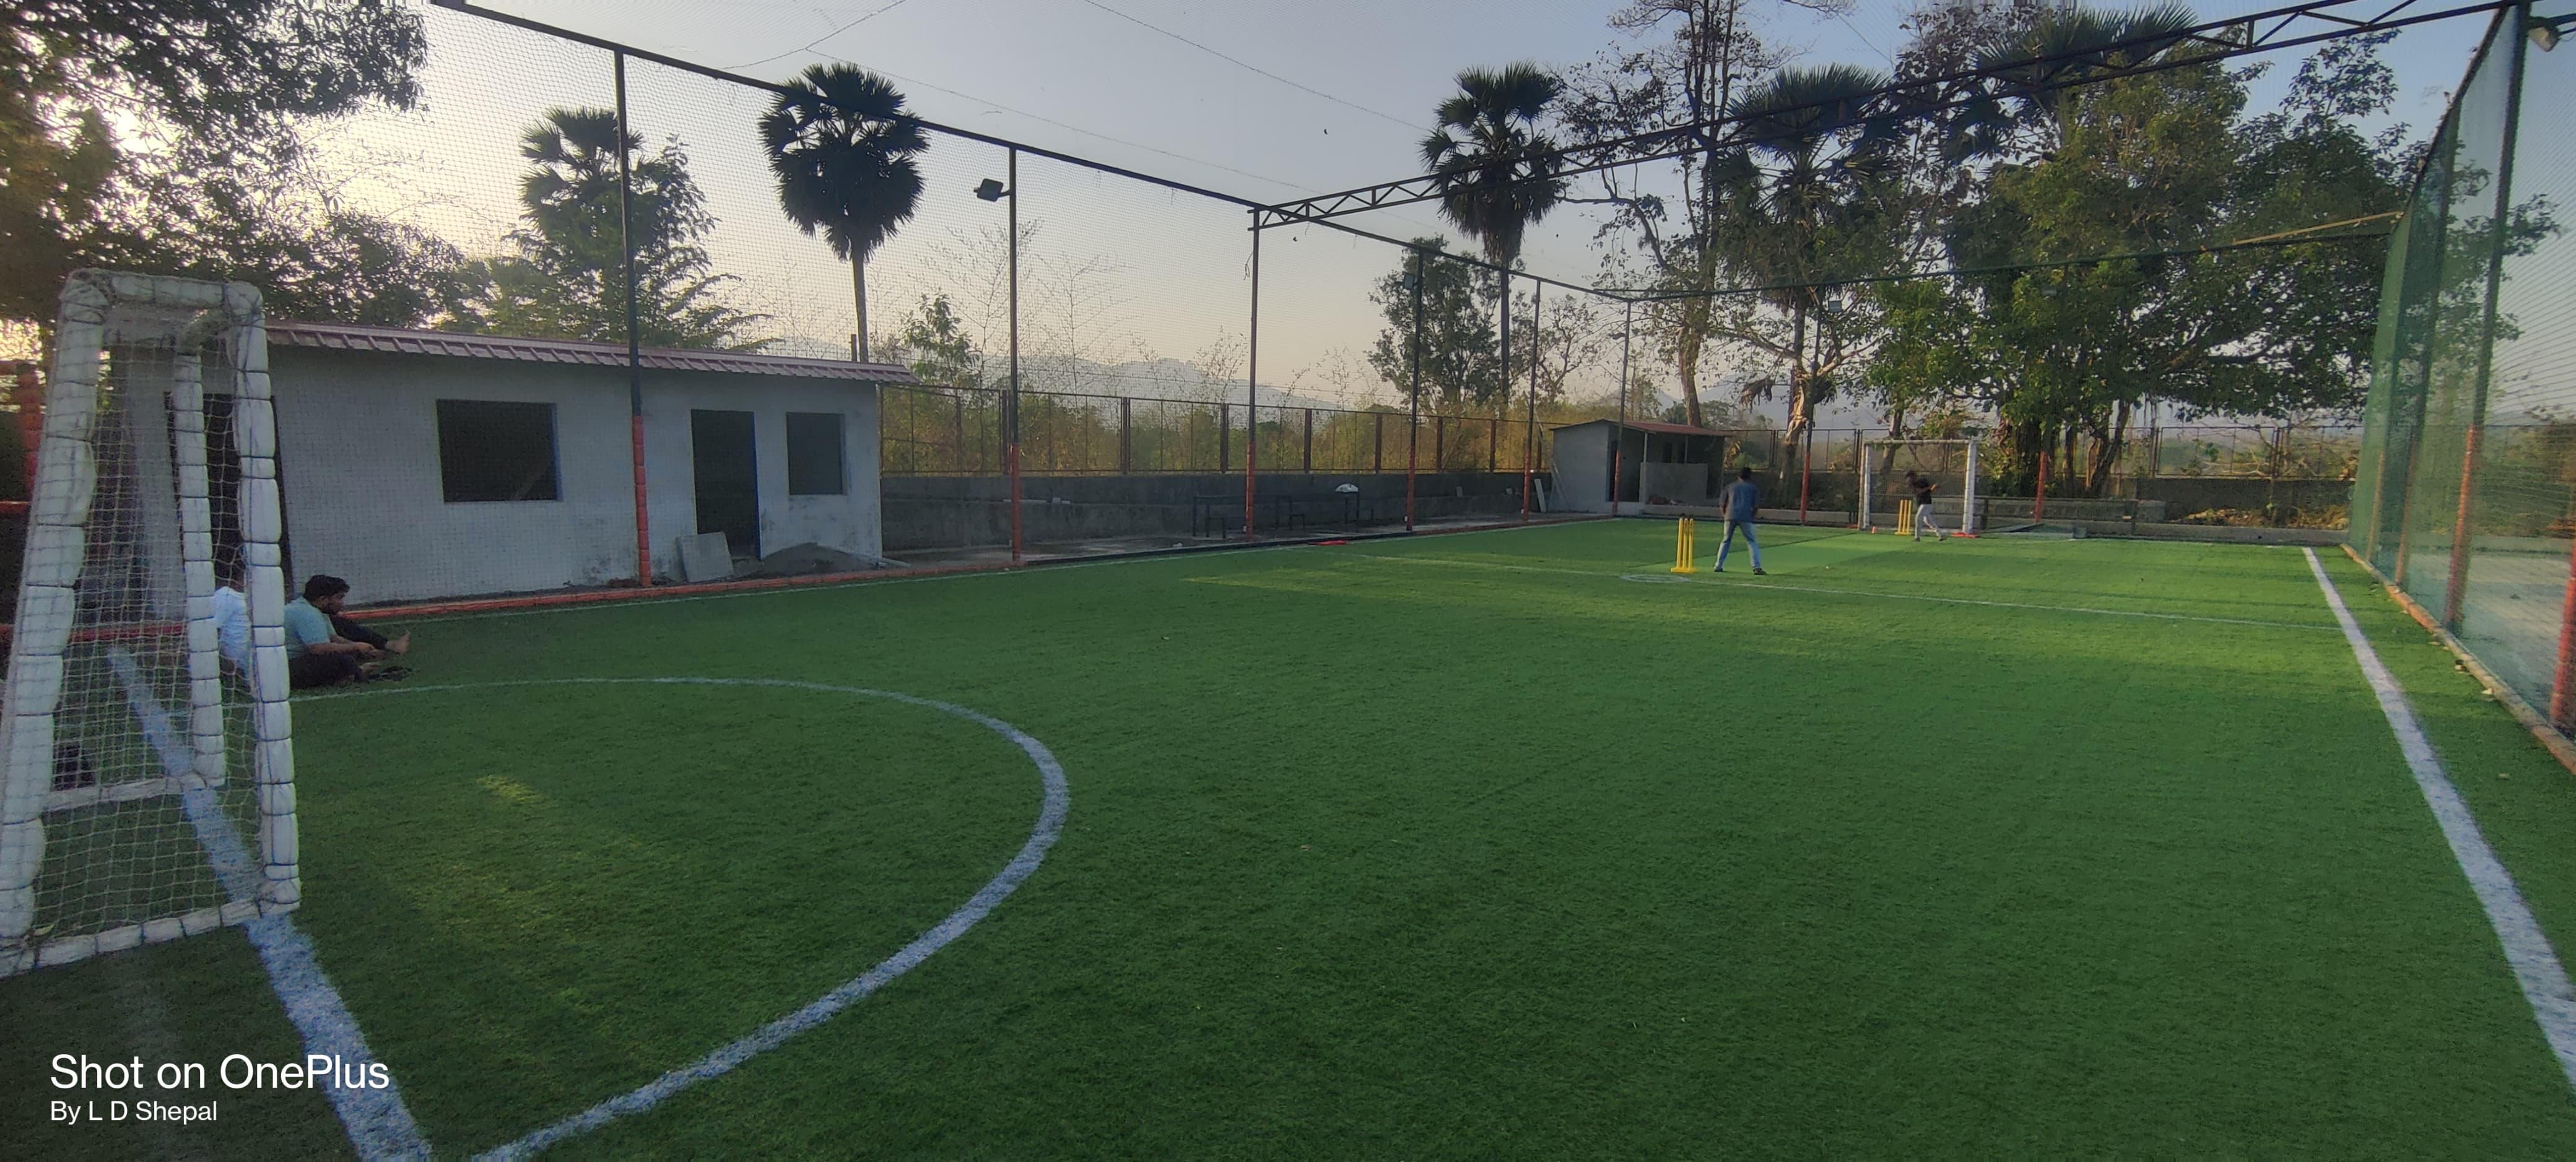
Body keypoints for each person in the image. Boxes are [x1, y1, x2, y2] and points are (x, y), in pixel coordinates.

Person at [284, 574, 407, 688]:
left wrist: (361, 648)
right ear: (323, 599)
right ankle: (351, 674)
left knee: (345, 654)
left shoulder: (313, 609)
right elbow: (318, 649)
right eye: (339, 598)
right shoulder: (308, 614)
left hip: (289, 665)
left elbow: (334, 638)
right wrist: (355, 647)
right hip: (285, 668)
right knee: (340, 660)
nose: (342, 604)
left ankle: (349, 673)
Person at [1714, 466, 1765, 575]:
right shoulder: (1753, 488)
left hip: (1730, 515)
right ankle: (1756, 567)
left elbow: (1722, 504)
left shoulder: (1730, 486)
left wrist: (1725, 515)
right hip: (1746, 517)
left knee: (1726, 540)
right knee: (1751, 541)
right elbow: (1756, 506)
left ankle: (1718, 565)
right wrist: (1752, 517)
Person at [1908, 471, 1947, 542]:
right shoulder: (1913, 485)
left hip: (1926, 504)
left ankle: (1917, 537)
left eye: (1910, 477)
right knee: (1929, 521)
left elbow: (1930, 491)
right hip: (1921, 504)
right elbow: (1920, 491)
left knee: (1918, 517)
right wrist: (1930, 487)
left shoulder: (1923, 481)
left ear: (1914, 476)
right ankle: (1941, 535)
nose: (1909, 479)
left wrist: (1934, 488)